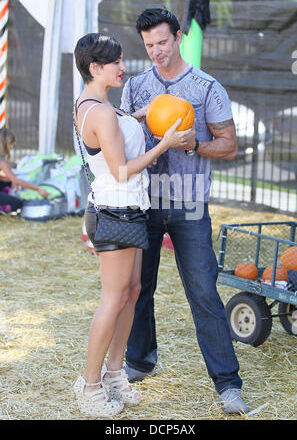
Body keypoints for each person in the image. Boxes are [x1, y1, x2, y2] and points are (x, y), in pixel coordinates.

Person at [120, 8, 249, 414]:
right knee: (137, 290)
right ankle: (139, 362)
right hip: (142, 204)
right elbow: (122, 141)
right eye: (149, 45)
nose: (156, 51)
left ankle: (228, 385)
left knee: (205, 295)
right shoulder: (137, 86)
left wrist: (194, 145)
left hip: (190, 206)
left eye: (162, 42)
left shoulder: (207, 86)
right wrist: (137, 124)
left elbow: (229, 145)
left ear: (178, 38)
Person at [72, 33, 191, 418]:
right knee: (113, 298)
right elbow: (121, 170)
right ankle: (88, 385)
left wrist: (140, 116)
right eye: (116, 62)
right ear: (95, 67)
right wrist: (165, 143)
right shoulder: (101, 112)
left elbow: (116, 135)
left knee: (133, 291)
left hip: (129, 209)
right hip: (116, 209)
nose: (124, 67)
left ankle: (113, 373)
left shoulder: (98, 105)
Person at [0, 127, 49, 213]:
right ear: (6, 144)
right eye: (11, 144)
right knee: (18, 204)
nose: (11, 147)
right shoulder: (1, 160)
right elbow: (16, 180)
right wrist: (38, 189)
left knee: (10, 182)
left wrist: (11, 180)